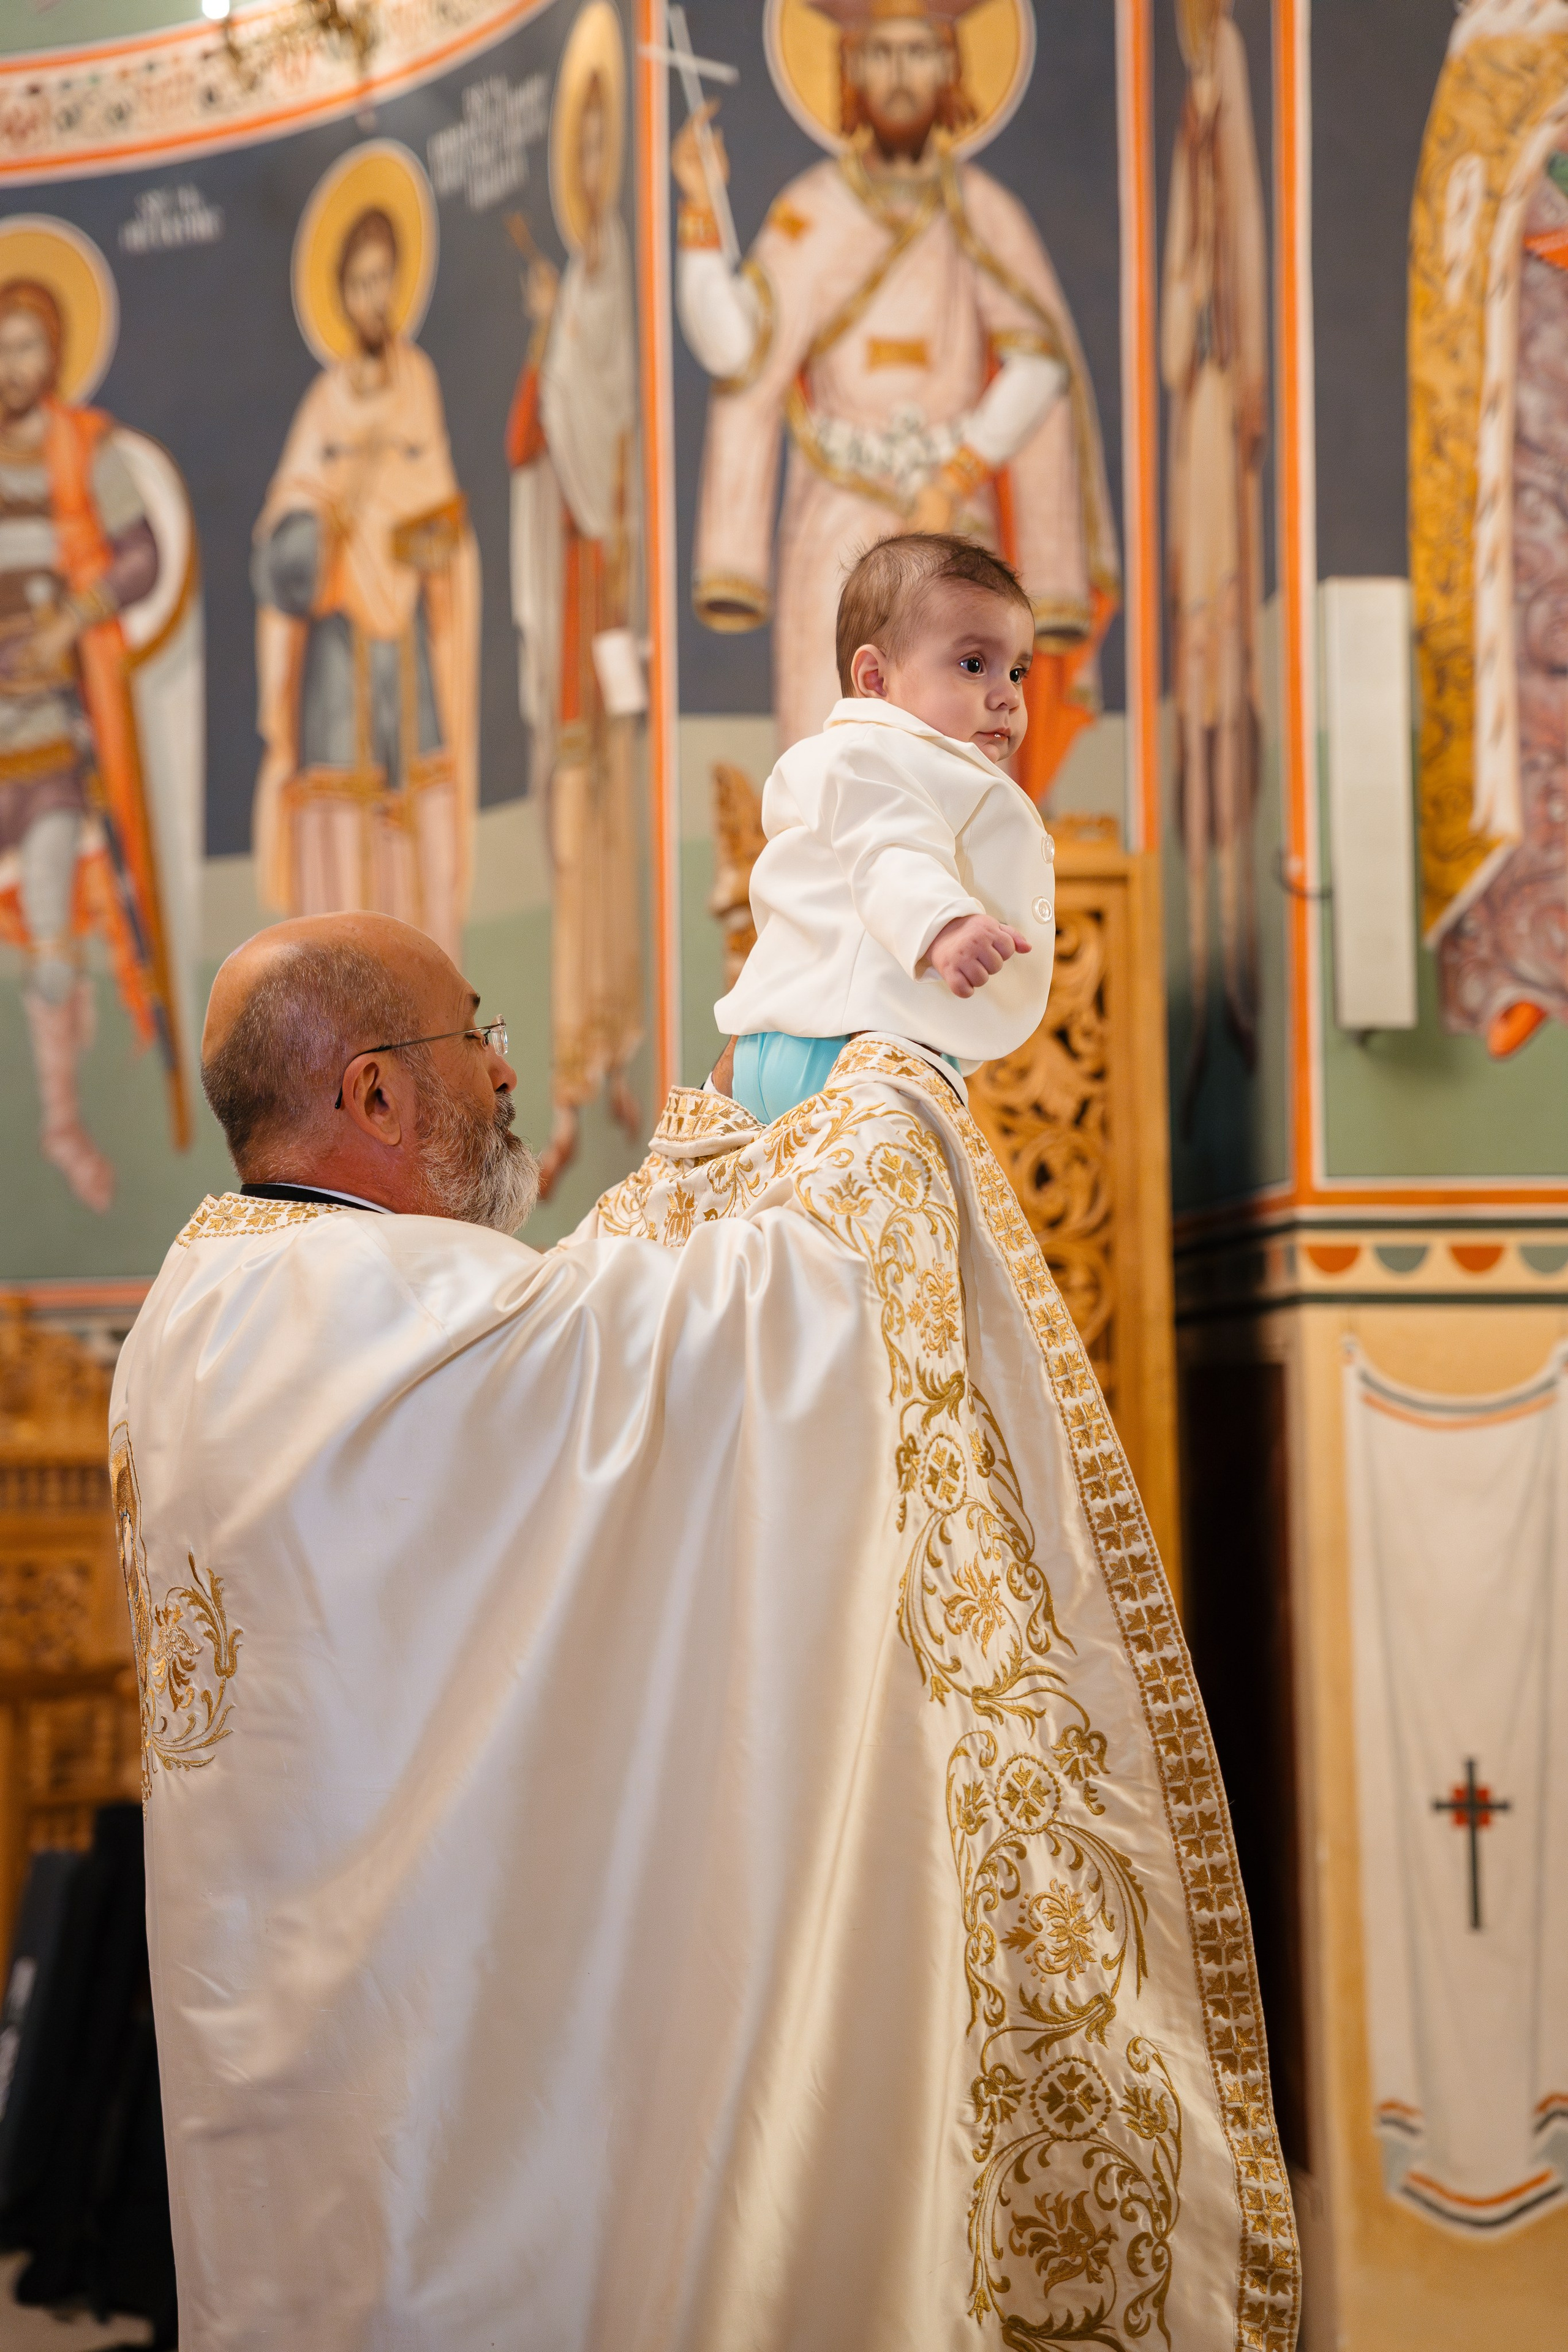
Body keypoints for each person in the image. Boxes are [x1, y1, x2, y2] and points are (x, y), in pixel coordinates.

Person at [110, 910, 1298, 2348]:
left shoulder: (207, 1298)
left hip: (297, 2022)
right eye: (473, 1031)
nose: (502, 1072)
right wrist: (878, 1105)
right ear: (371, 1092)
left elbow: (564, 1360)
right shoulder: (367, 1305)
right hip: (422, 2054)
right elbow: (707, 1329)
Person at [674, 0, 1118, 795]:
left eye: (920, 53)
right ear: (850, 71)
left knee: (965, 759)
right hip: (835, 524)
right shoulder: (815, 212)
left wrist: (957, 471)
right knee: (831, 747)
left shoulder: (982, 214)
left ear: (953, 66)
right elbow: (739, 349)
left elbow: (1041, 363)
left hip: (950, 516)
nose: (901, 75)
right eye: (880, 55)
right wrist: (703, 216)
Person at [715, 532, 1056, 1124]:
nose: (1006, 696)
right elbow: (892, 850)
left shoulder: (860, 759)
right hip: (850, 1049)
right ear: (875, 679)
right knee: (893, 1211)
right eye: (974, 665)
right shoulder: (878, 754)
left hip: (790, 1042)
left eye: (1018, 672)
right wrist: (944, 925)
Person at [0, 272, 192, 1212]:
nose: (12, 366)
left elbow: (142, 550)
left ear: (57, 353)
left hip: (49, 733)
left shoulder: (87, 447)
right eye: (1, 349)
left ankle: (65, 1128)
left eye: (27, 345)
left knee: (48, 926)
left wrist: (74, 616)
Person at [253, 197, 479, 963]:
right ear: (339, 297)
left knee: (416, 827)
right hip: (340, 650)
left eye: (384, 279)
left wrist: (426, 537)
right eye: (358, 284)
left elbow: (439, 506)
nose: (373, 298)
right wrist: (326, 527)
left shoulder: (420, 383)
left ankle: (423, 1007)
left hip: (409, 650)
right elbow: (283, 543)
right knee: (341, 834)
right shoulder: (324, 407)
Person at [508, 11, 643, 1198]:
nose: (592, 173)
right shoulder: (578, 305)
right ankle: (564, 1087)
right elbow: (545, 454)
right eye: (579, 152)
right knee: (568, 842)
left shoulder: (622, 298)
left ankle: (619, 1059)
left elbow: (619, 450)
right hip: (576, 620)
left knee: (620, 843)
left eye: (607, 149)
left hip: (623, 601)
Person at [1161, 0, 1267, 1112]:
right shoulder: (1193, 125)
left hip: (1215, 462)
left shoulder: (1221, 116)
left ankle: (1235, 937)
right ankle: (1210, 940)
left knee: (1221, 698)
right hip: (1194, 438)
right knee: (1192, 707)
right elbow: (1168, 335)